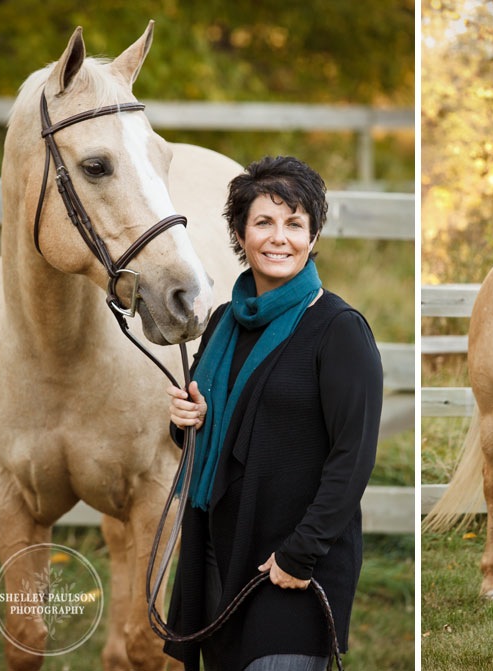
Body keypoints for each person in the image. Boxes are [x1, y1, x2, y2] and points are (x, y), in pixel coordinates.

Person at [163, 155, 384, 671]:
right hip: (220, 554)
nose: (278, 237)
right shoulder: (221, 324)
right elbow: (207, 443)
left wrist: (300, 553)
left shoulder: (339, 329)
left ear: (314, 237)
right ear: (240, 235)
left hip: (290, 565)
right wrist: (184, 421)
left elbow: (353, 457)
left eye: (294, 224)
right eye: (263, 222)